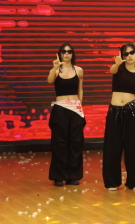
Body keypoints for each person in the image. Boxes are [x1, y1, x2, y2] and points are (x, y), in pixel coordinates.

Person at [103, 42, 135, 190]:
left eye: (131, 53)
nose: (129, 56)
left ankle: (134, 181)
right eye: (126, 54)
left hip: (132, 111)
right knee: (113, 146)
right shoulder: (119, 69)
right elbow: (111, 70)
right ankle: (112, 182)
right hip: (114, 111)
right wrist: (117, 64)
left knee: (133, 147)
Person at [47, 43, 85, 186]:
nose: (67, 53)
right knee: (59, 143)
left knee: (75, 143)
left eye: (69, 51)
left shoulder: (79, 70)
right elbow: (49, 80)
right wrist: (55, 68)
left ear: (73, 54)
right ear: (60, 54)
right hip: (60, 107)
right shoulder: (56, 70)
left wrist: (80, 106)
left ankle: (73, 176)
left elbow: (80, 89)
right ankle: (59, 176)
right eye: (64, 51)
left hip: (75, 108)